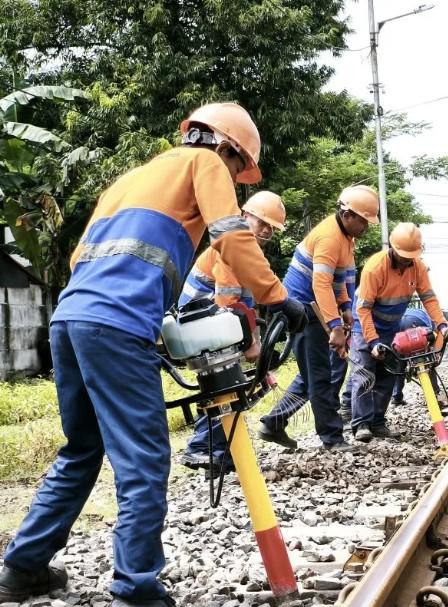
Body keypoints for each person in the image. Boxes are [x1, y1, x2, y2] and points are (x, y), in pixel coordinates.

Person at [0, 103, 305, 607]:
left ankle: (21, 569)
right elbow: (230, 235)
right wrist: (277, 298)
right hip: (116, 327)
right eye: (238, 167)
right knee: (143, 461)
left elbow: (81, 259)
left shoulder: (133, 177)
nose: (234, 177)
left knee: (81, 450)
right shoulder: (204, 164)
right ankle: (136, 587)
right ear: (227, 147)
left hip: (71, 320)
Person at [258, 185, 379, 451]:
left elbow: (343, 279)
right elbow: (321, 284)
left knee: (312, 372)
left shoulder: (346, 239)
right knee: (322, 374)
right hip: (302, 310)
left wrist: (346, 307)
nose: (366, 227)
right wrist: (335, 326)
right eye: (364, 221)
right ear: (348, 215)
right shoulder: (329, 237)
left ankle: (273, 422)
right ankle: (332, 438)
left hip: (313, 308)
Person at [179, 191, 287, 473]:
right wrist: (250, 345)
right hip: (200, 323)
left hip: (212, 323)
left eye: (271, 228)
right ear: (244, 216)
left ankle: (221, 452)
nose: (266, 230)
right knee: (228, 385)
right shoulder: (228, 249)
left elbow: (247, 306)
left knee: (243, 385)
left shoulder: (248, 254)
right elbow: (227, 302)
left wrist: (258, 348)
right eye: (262, 222)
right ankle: (203, 447)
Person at [350, 223, 448, 443]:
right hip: (365, 325)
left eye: (411, 256)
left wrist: (441, 324)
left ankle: (377, 422)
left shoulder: (418, 268)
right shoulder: (375, 267)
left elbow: (429, 298)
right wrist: (373, 341)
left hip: (391, 327)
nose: (406, 259)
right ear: (393, 248)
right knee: (365, 373)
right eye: (403, 255)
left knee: (388, 374)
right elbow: (363, 307)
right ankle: (361, 424)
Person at [390, 307, 445, 407]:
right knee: (428, 362)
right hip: (419, 324)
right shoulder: (425, 314)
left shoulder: (402, 311)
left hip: (399, 324)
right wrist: (432, 352)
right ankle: (435, 392)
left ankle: (396, 397)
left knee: (399, 365)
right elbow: (434, 334)